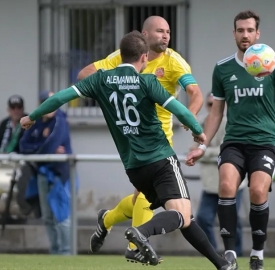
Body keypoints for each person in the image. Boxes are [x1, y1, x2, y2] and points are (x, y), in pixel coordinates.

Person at [20, 31, 235, 270]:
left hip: (134, 167)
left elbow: (60, 97)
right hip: (160, 159)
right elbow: (181, 111)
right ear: (144, 58)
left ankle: (221, 265)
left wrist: (32, 117)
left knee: (182, 216)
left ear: (120, 55)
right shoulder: (147, 81)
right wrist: (198, 131)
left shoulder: (100, 80)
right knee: (182, 214)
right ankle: (141, 232)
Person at [185, 10, 275, 270]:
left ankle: (257, 253)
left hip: (265, 142)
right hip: (234, 142)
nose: (245, 34)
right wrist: (202, 145)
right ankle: (231, 254)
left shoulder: (273, 64)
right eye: (240, 30)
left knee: (258, 191)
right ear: (234, 34)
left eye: (249, 30)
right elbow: (216, 113)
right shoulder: (223, 68)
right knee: (226, 186)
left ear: (258, 34)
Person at [78, 15, 203, 263]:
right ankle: (134, 243)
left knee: (143, 198)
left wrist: (190, 119)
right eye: (159, 31)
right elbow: (85, 74)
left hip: (158, 142)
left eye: (168, 31)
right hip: (132, 137)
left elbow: (195, 93)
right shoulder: (123, 58)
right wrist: (116, 84)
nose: (166, 35)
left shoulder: (175, 62)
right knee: (145, 199)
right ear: (144, 36)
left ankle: (113, 225)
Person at [19, 91, 73, 255]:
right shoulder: (34, 122)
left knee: (62, 217)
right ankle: (55, 252)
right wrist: (40, 150)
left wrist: (36, 150)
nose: (48, 106)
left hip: (59, 175)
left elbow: (50, 145)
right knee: (48, 217)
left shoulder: (60, 120)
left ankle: (65, 253)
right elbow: (23, 146)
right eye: (45, 102)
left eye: (51, 102)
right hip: (42, 173)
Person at [193, 93, 245, 256]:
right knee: (203, 218)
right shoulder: (201, 122)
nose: (212, 108)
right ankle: (213, 253)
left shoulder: (230, 122)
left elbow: (227, 150)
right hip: (210, 183)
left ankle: (236, 253)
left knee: (231, 220)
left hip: (231, 181)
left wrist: (203, 152)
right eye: (209, 105)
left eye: (215, 105)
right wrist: (202, 151)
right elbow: (194, 147)